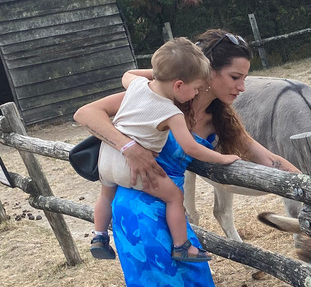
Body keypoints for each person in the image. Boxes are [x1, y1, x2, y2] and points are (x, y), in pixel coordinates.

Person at [72, 29, 298, 287]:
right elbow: (86, 113)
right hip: (143, 216)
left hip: (160, 215)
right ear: (208, 73)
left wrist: (310, 184)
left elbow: (265, 158)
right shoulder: (155, 96)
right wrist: (130, 146)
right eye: (235, 77)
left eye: (245, 77)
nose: (243, 87)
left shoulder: (216, 120)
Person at [89, 37, 239, 263]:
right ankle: (181, 246)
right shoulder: (171, 113)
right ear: (178, 85)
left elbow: (127, 74)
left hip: (107, 156)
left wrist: (163, 70)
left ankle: (99, 236)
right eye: (196, 88)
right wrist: (222, 158)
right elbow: (191, 148)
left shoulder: (136, 85)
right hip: (131, 166)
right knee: (174, 197)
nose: (197, 94)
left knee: (105, 195)